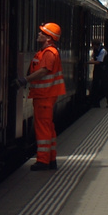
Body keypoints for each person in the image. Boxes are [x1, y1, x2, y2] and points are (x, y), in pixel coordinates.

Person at [24, 22, 66, 170]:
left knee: (42, 129)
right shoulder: (46, 52)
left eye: (42, 33)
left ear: (49, 38)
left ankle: (42, 161)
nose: (39, 34)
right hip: (45, 96)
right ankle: (51, 159)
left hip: (44, 96)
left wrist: (25, 80)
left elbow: (43, 71)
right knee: (49, 129)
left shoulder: (49, 53)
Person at [91, 40, 108, 107]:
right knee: (95, 86)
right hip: (98, 70)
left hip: (104, 70)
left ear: (95, 45)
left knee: (105, 86)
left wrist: (88, 62)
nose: (93, 47)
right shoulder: (96, 50)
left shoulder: (103, 50)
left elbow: (98, 62)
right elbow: (93, 57)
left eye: (93, 46)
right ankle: (96, 103)